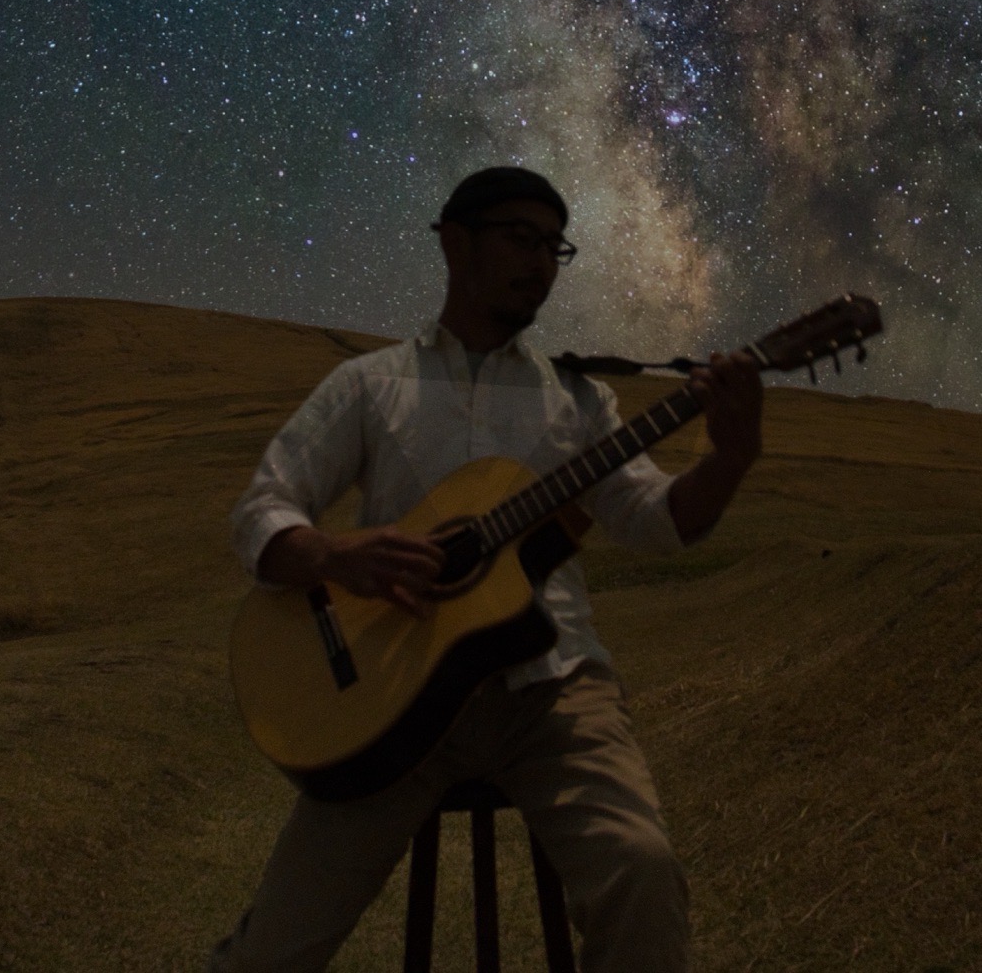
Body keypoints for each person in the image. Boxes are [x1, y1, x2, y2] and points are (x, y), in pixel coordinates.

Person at [209, 166, 765, 973]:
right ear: (455, 241)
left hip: (553, 692)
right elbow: (262, 510)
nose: (540, 262)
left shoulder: (578, 401)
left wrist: (731, 455)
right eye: (520, 238)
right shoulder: (369, 384)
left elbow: (657, 522)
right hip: (389, 703)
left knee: (641, 874)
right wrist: (333, 554)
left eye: (554, 247)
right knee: (276, 949)